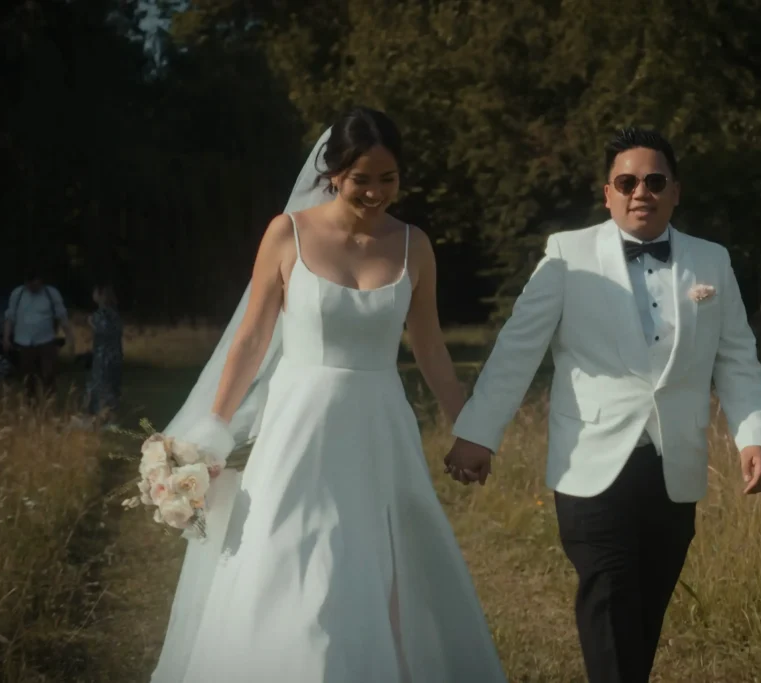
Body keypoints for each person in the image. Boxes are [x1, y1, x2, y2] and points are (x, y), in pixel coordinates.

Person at [149, 107, 507, 683]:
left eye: (388, 179)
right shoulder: (287, 234)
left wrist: (470, 429)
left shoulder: (415, 246)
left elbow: (431, 348)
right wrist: (212, 429)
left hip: (379, 428)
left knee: (380, 561)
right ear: (334, 173)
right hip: (301, 427)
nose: (375, 192)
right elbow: (252, 339)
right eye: (362, 178)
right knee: (292, 551)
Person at [444, 127, 761, 683]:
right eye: (626, 181)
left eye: (653, 180)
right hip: (590, 465)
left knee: (642, 614)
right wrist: (479, 431)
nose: (640, 191)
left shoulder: (711, 261)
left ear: (675, 191)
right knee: (609, 600)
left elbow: (738, 358)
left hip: (677, 465)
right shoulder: (567, 255)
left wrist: (754, 435)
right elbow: (518, 348)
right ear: (607, 194)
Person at [2, 267, 75, 397]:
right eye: (30, 284)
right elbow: (10, 317)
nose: (32, 287)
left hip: (46, 340)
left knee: (48, 375)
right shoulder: (17, 294)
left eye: (35, 284)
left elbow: (62, 316)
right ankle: (31, 407)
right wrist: (6, 337)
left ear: (40, 281)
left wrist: (70, 338)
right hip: (24, 342)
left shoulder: (51, 294)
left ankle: (48, 404)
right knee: (28, 378)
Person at [82, 284, 123, 422]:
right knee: (111, 385)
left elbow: (103, 331)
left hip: (103, 355)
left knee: (102, 384)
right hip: (115, 354)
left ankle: (101, 416)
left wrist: (91, 323)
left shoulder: (101, 314)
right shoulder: (115, 313)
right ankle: (109, 416)